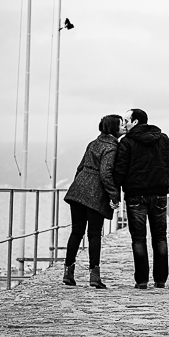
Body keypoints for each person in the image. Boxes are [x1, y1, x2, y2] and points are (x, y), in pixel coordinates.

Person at [113, 108, 169, 289]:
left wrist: (116, 192)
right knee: (160, 237)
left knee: (138, 238)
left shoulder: (126, 143)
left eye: (126, 120)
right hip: (159, 194)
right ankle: (160, 280)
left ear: (135, 122)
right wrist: (166, 184)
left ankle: (141, 281)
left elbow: (120, 169)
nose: (124, 123)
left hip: (135, 195)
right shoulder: (163, 138)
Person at [62, 114, 122, 288]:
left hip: (78, 190)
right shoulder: (111, 148)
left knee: (76, 232)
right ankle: (94, 276)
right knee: (94, 234)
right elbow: (105, 173)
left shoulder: (93, 143)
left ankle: (68, 272)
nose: (123, 126)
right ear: (113, 129)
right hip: (95, 194)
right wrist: (114, 196)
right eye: (121, 124)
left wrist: (78, 186)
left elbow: (80, 167)